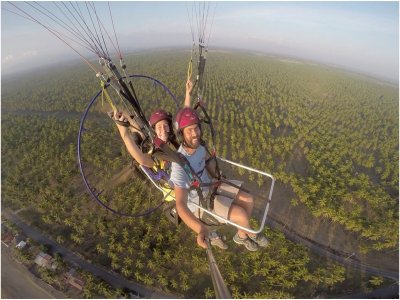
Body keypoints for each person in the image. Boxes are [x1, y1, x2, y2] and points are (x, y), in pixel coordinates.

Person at [169, 107, 269, 251]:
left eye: (196, 128)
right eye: (189, 130)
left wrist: (217, 175)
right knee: (241, 215)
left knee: (248, 199)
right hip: (200, 204)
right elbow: (181, 205)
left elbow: (206, 162)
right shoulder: (179, 164)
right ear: (181, 135)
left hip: (210, 186)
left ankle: (241, 235)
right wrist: (200, 229)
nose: (195, 133)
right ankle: (251, 234)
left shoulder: (200, 146)